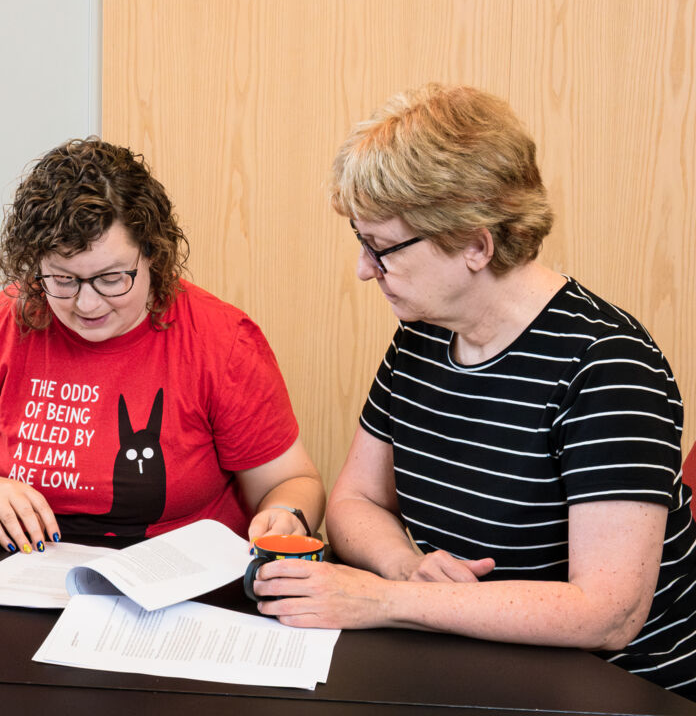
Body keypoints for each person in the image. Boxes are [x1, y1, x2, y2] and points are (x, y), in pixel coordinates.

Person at [249, 83, 696, 698]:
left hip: (613, 688)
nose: (362, 270)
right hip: (472, 662)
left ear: (475, 246)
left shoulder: (608, 367)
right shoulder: (423, 336)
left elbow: (609, 614)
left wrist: (388, 599)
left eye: (382, 248)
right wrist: (407, 567)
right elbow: (355, 501)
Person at [0, 138, 324, 554]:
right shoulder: (1, 327)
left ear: (152, 255)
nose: (87, 303)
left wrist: (286, 514)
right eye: (62, 279)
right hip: (29, 575)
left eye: (111, 278)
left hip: (181, 586)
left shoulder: (220, 340)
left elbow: (290, 483)